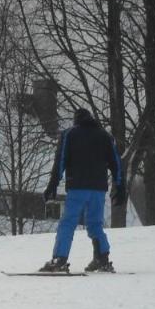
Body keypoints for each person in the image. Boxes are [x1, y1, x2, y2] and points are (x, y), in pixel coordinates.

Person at [39, 108, 126, 273]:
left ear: (76, 120)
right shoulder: (105, 136)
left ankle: (59, 260)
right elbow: (116, 163)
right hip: (98, 189)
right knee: (95, 224)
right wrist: (120, 187)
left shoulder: (69, 134)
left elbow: (61, 161)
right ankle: (102, 259)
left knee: (68, 223)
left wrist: (52, 185)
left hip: (77, 187)